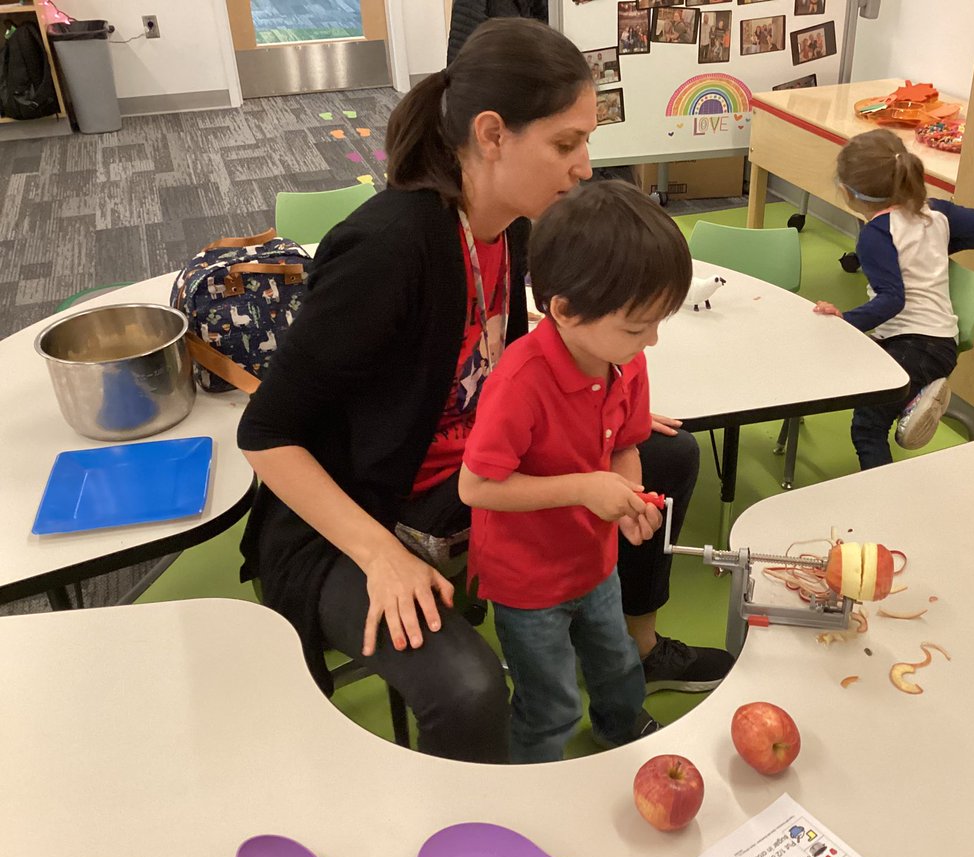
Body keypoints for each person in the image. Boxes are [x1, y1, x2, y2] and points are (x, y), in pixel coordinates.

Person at [237, 19, 725, 766]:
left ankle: (639, 646)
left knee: (667, 457)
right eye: (566, 144)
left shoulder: (512, 227)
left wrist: (602, 409)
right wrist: (380, 556)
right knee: (469, 691)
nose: (584, 166)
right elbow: (266, 435)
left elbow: (502, 371)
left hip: (461, 473)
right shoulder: (390, 248)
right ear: (492, 135)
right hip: (360, 515)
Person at [459, 181, 691, 762]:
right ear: (561, 309)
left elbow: (627, 445)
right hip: (527, 579)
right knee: (551, 696)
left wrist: (629, 495)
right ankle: (536, 771)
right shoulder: (520, 381)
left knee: (616, 662)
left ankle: (619, 726)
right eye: (638, 326)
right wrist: (585, 489)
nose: (652, 342)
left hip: (594, 560)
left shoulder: (624, 360)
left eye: (659, 322)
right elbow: (477, 485)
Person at [812, 129, 974, 469]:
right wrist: (938, 247)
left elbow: (892, 300)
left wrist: (845, 320)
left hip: (912, 346)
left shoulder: (875, 235)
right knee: (856, 375)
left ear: (847, 193)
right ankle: (913, 396)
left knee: (867, 427)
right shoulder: (936, 213)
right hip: (939, 342)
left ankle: (887, 499)